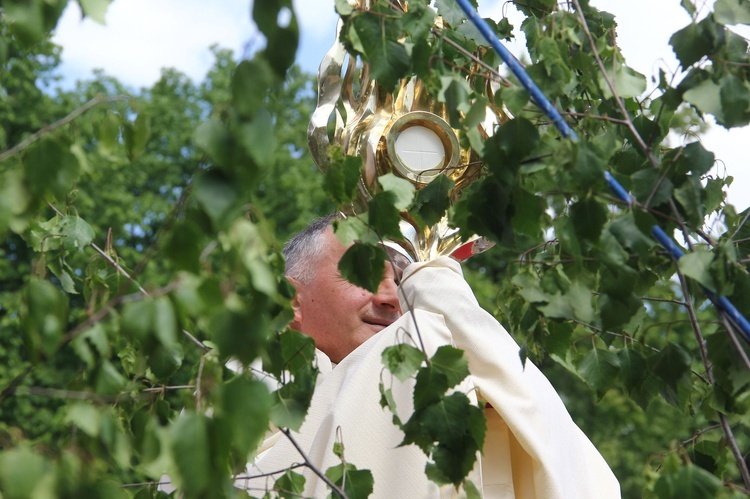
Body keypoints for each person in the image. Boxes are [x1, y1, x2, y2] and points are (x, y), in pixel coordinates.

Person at [240, 215, 621, 498]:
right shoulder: (236, 389)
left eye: (402, 281)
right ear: (291, 301)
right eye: (363, 274)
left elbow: (566, 463)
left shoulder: (456, 393)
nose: (392, 298)